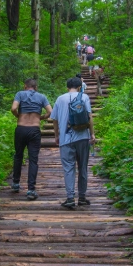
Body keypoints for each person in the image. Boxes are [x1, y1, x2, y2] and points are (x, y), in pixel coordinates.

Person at [50, 77, 95, 208]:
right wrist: (92, 134)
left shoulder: (60, 99)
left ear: (67, 87)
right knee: (83, 167)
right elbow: (89, 117)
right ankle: (82, 197)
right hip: (82, 137)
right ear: (80, 87)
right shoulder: (84, 97)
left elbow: (54, 119)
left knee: (68, 168)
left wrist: (56, 135)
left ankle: (70, 198)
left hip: (65, 138)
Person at [10, 78, 52, 200]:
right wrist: (41, 117)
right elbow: (50, 111)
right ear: (36, 87)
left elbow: (13, 108)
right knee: (33, 160)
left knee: (18, 156)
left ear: (25, 86)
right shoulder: (42, 97)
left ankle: (16, 183)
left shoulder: (20, 94)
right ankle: (31, 190)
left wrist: (18, 116)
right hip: (34, 130)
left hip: (21, 128)